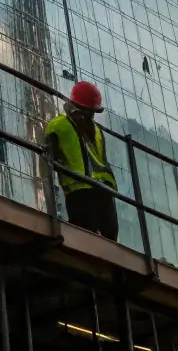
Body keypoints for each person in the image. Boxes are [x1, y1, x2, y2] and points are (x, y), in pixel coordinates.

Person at [46, 81, 119, 240]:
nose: (90, 116)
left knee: (100, 239)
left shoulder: (93, 130)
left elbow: (48, 160)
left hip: (93, 190)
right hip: (88, 190)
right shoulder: (59, 126)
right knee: (95, 239)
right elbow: (48, 161)